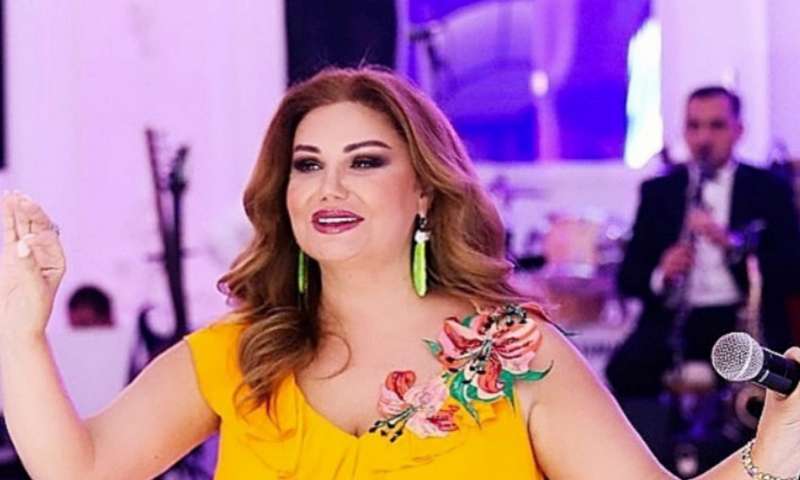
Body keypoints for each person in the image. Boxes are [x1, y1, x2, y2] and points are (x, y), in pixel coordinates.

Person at [0, 69, 798, 479]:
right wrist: (17, 328)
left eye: (365, 162)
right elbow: (78, 469)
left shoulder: (517, 355)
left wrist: (770, 457)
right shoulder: (240, 354)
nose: (329, 188)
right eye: (307, 164)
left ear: (423, 190)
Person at [606, 86, 800, 469]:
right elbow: (629, 277)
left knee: (775, 379)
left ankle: (754, 464)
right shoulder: (660, 192)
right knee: (624, 369)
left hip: (740, 315)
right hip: (675, 318)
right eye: (694, 127)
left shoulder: (768, 189)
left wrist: (732, 247)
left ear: (738, 130)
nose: (703, 138)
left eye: (716, 126)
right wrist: (662, 272)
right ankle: (653, 464)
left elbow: (792, 271)